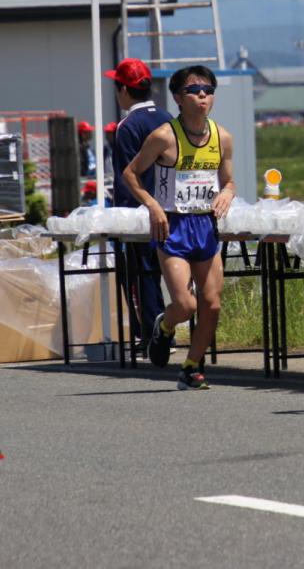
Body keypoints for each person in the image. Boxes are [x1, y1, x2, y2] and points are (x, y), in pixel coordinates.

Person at [123, 65, 235, 390]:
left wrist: (227, 193)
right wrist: (153, 205)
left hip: (204, 224)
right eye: (194, 90)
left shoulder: (222, 137)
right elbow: (131, 174)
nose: (203, 95)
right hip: (172, 226)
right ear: (177, 97)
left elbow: (228, 181)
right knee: (185, 305)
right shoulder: (163, 137)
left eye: (208, 89)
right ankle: (164, 325)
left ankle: (190, 368)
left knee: (212, 302)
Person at [104, 58, 171, 353]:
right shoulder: (169, 117)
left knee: (140, 277)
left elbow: (125, 177)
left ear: (123, 89)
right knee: (168, 273)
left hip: (140, 211)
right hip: (172, 209)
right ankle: (166, 331)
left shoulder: (127, 126)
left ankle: (151, 336)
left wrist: (122, 216)